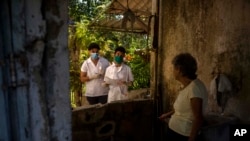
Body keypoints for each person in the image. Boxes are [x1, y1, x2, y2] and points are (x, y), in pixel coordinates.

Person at [159, 53, 208, 141]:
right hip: (175, 133)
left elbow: (198, 118)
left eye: (174, 68)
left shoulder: (194, 88)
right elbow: (182, 109)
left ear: (180, 70)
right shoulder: (186, 86)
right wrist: (166, 115)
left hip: (183, 135)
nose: (172, 71)